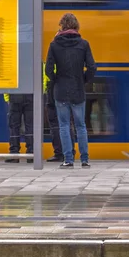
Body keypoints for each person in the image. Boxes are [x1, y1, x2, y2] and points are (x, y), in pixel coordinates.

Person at [45, 13, 96, 169]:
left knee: (64, 126)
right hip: (78, 90)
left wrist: (56, 80)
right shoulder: (84, 44)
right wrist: (84, 79)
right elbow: (92, 67)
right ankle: (85, 159)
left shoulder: (54, 45)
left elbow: (48, 69)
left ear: (61, 26)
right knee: (81, 126)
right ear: (76, 26)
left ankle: (68, 160)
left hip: (60, 91)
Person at [4, 93, 33, 163]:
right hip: (31, 96)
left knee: (14, 126)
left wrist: (7, 98)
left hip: (15, 97)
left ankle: (14, 154)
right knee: (30, 125)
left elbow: (7, 83)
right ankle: (31, 154)